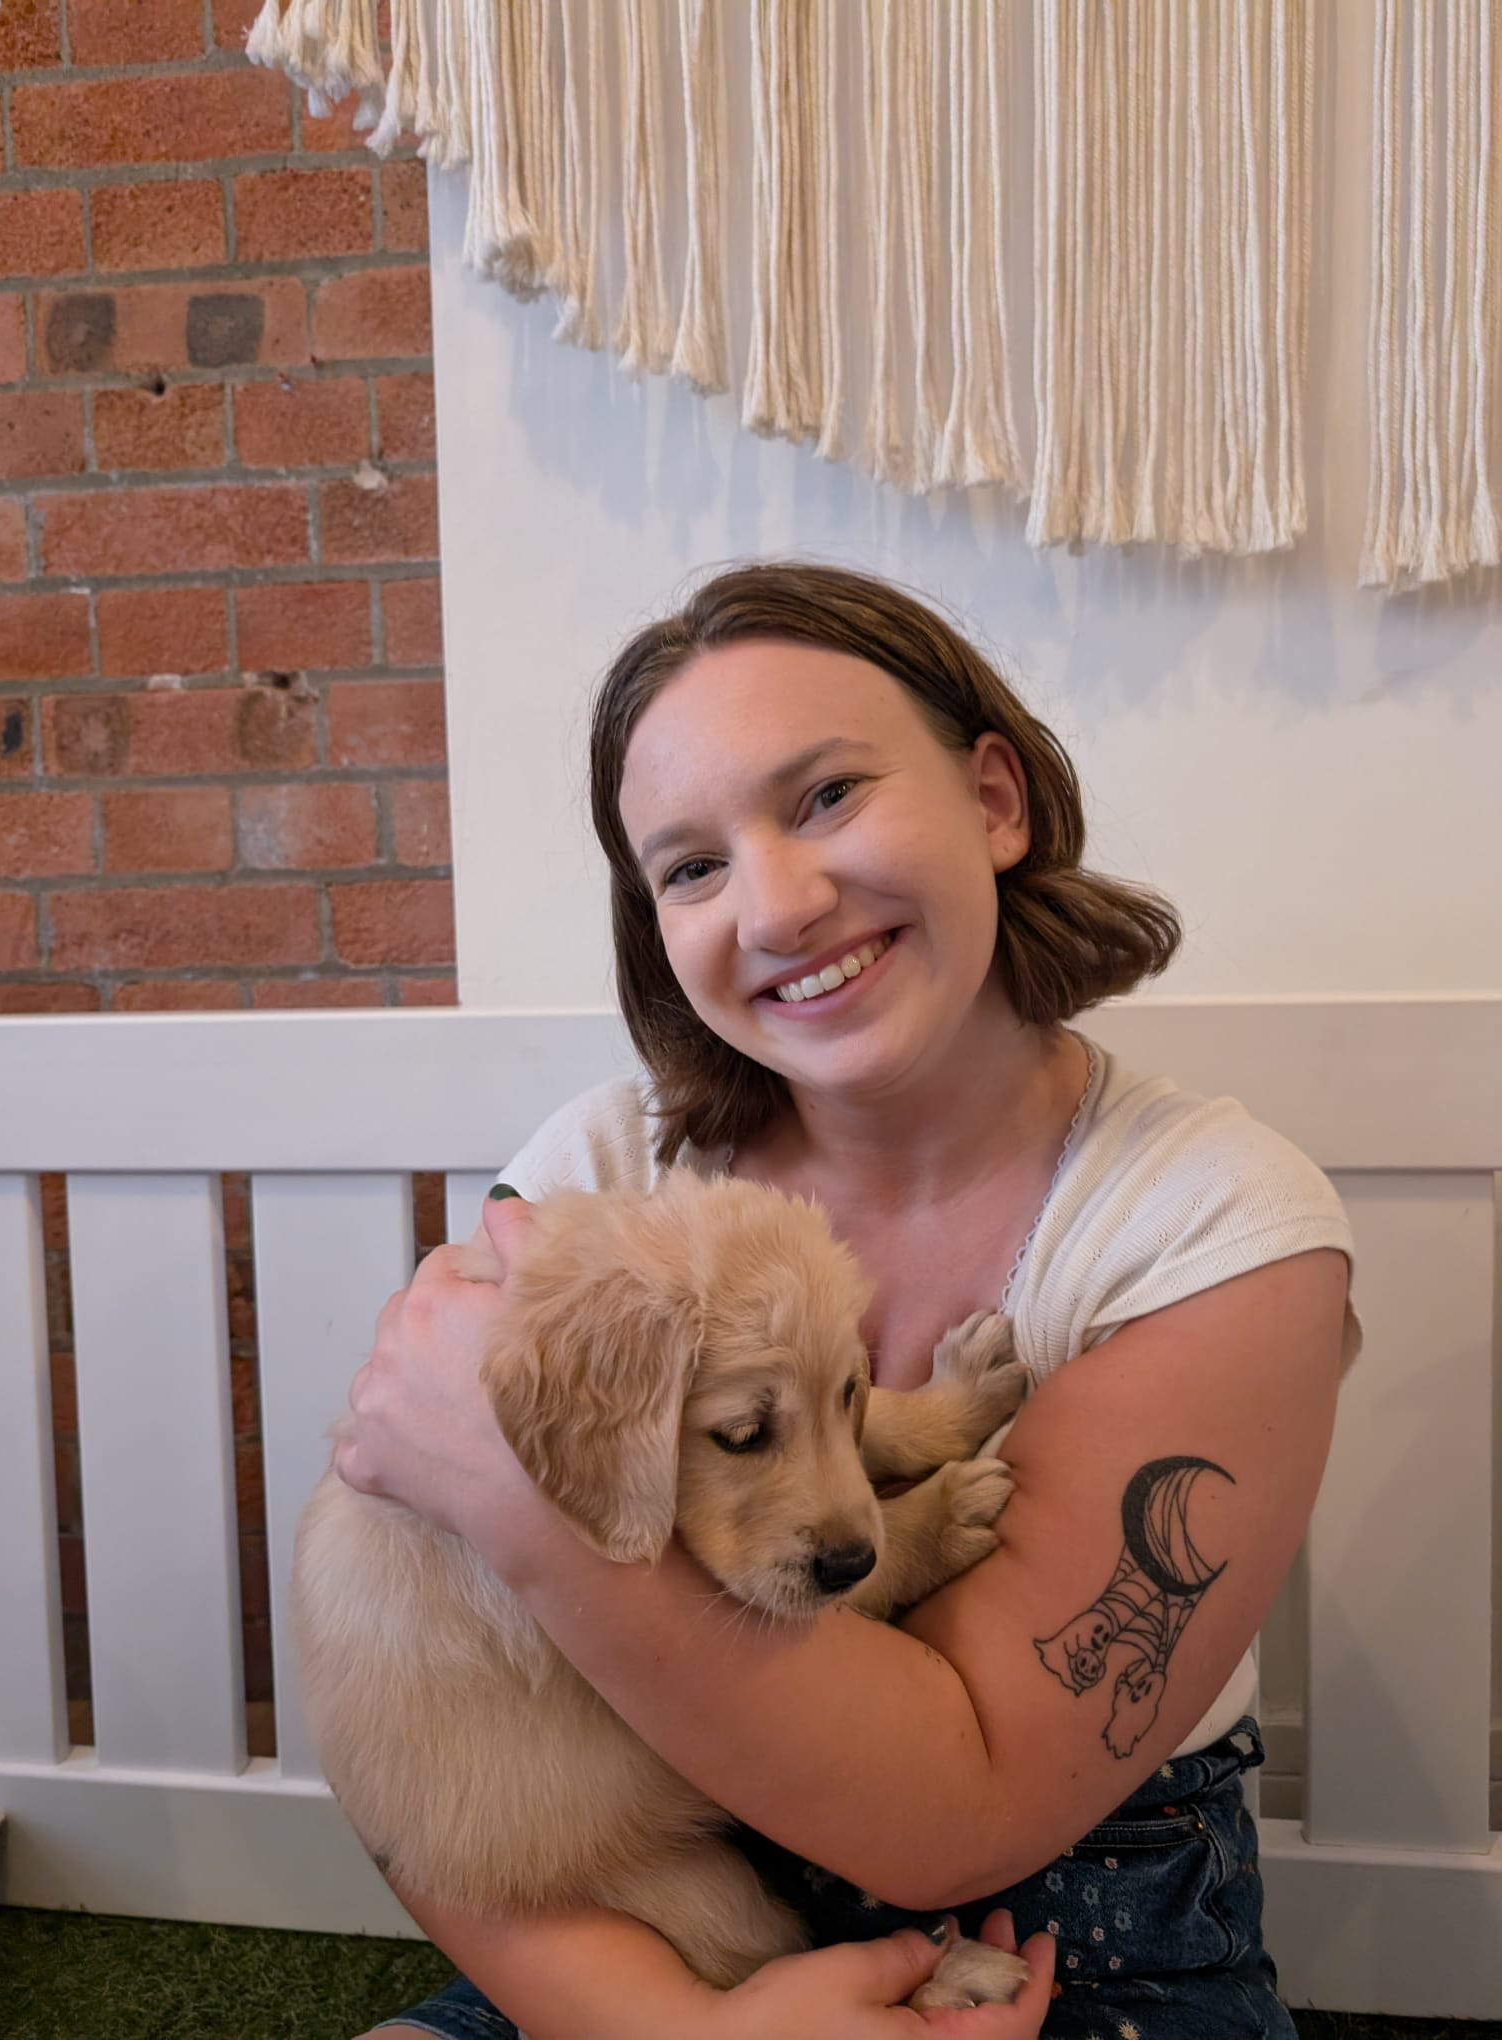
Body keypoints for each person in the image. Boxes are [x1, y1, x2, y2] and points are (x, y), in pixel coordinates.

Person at [337, 561, 1357, 2039]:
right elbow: (418, 1727)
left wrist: (514, 1508)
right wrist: (671, 2030)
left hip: (1085, 1935)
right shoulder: (602, 1171)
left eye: (824, 797)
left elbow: (966, 1806)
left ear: (995, 800)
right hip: (648, 1913)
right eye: (689, 867)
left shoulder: (1212, 1227)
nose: (779, 905)